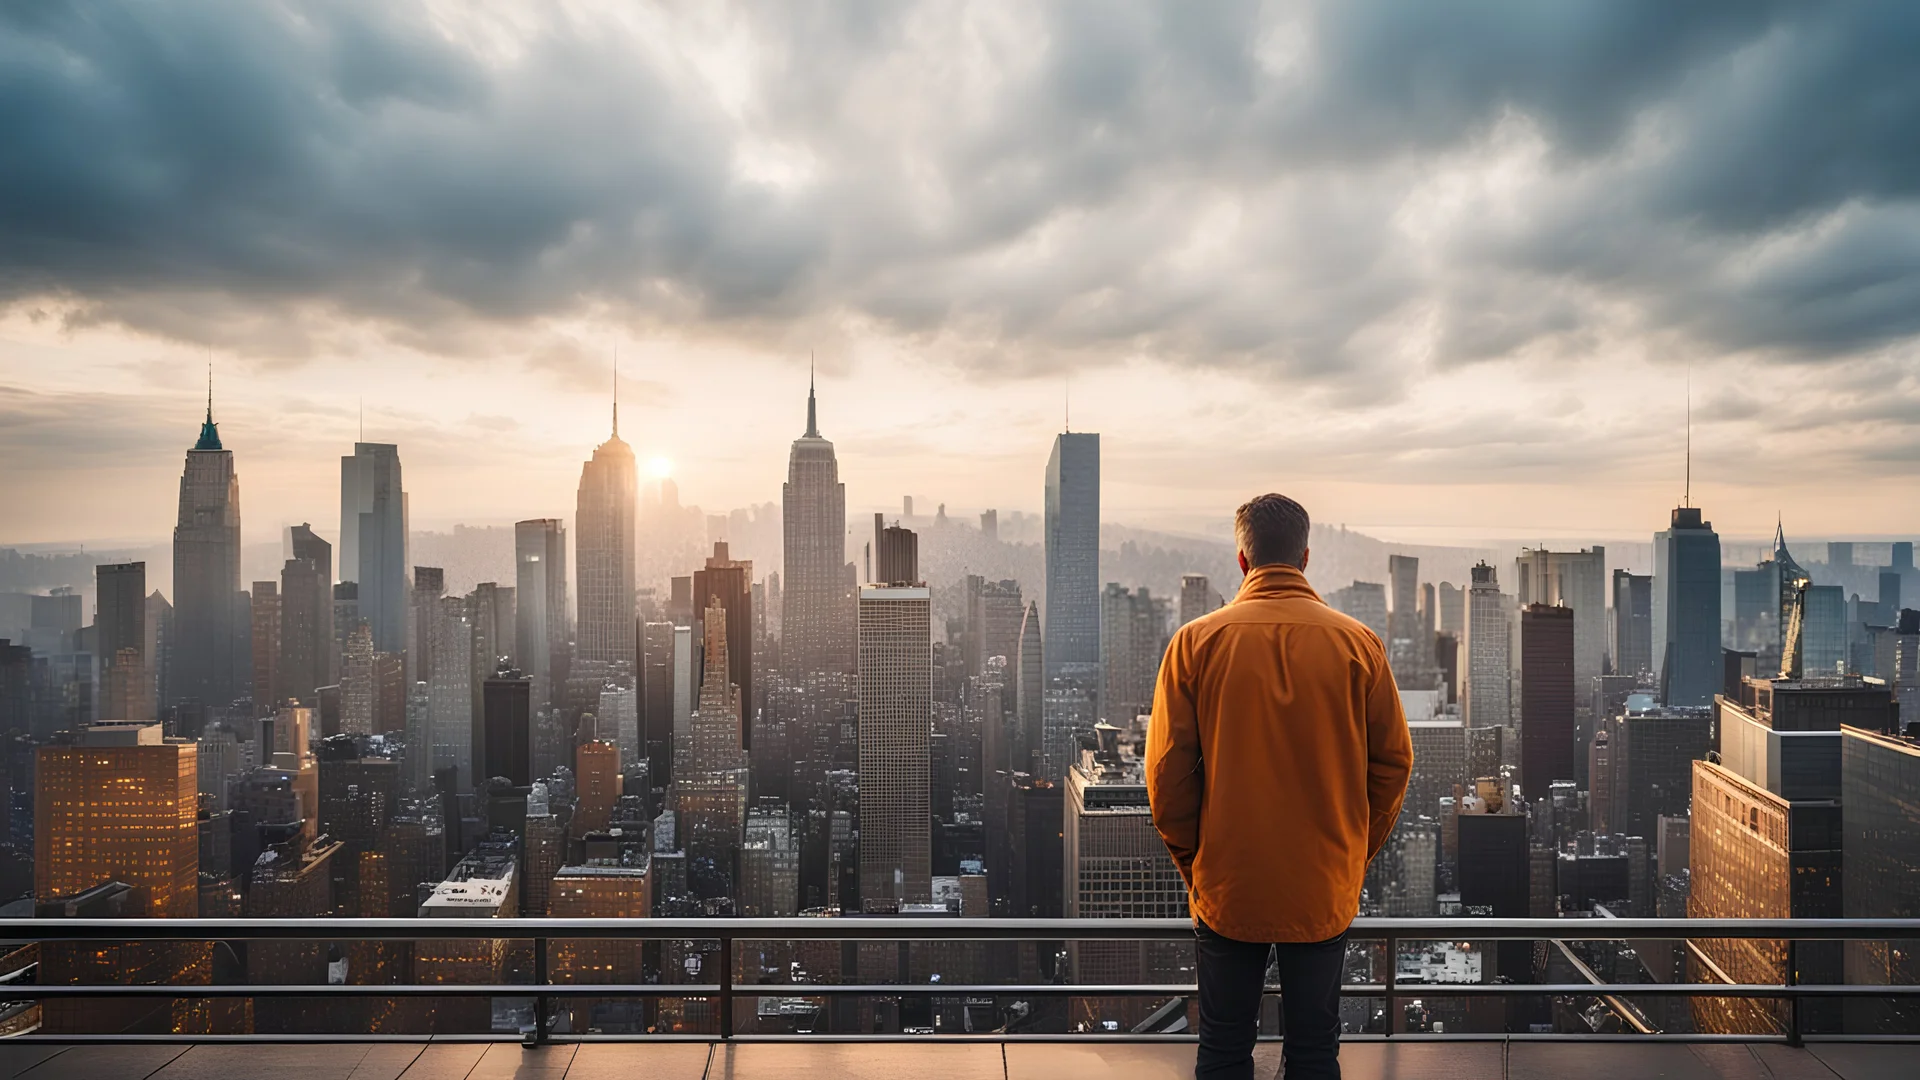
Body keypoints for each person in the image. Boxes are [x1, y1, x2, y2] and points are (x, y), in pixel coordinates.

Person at [1146, 493, 1413, 1080]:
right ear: (1306, 557)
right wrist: (1352, 850)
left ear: (1243, 561)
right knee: (1316, 1053)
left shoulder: (1194, 643)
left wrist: (1197, 862)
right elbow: (1394, 763)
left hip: (1229, 884)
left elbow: (1166, 774)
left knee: (1222, 1049)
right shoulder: (1358, 645)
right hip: (1321, 884)